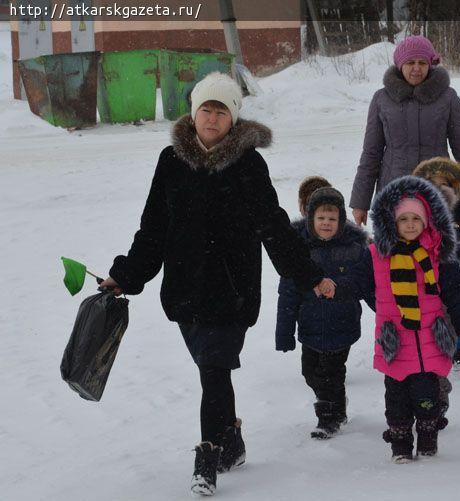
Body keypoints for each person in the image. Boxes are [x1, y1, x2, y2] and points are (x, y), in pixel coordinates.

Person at [98, 72, 335, 496]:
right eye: (206, 108)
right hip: (186, 289)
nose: (212, 117)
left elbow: (274, 226)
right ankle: (233, 439)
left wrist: (309, 275)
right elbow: (153, 229)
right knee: (214, 372)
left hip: (233, 288)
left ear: (233, 117)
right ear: (194, 113)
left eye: (221, 110)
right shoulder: (171, 162)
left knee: (213, 368)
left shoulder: (248, 165)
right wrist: (126, 276)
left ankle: (206, 459)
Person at [349, 176, 460, 463]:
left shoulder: (438, 256)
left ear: (427, 221)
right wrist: (332, 288)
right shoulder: (376, 255)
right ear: (392, 223)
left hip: (429, 339)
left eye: (416, 219)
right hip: (395, 340)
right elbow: (355, 282)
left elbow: (457, 294)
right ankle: (400, 445)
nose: (409, 224)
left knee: (427, 397)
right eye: (403, 219)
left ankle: (428, 436)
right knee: (395, 400)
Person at [350, 35, 460, 226]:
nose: (416, 68)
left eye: (422, 62)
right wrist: (360, 203)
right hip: (394, 192)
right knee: (395, 254)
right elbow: (371, 154)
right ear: (400, 65)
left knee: (435, 252)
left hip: (436, 193)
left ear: (430, 64)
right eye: (410, 62)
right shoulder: (381, 99)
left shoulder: (448, 98)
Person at [275, 187, 374, 439]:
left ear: (341, 221)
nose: (326, 223)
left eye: (332, 219)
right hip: (309, 326)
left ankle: (327, 419)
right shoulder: (299, 251)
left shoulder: (354, 248)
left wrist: (387, 314)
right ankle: (337, 406)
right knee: (310, 372)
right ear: (310, 219)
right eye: (321, 218)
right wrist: (284, 333)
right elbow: (288, 294)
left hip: (343, 324)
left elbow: (366, 285)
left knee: (331, 373)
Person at [413, 157, 460, 370]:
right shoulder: (419, 220)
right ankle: (435, 349)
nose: (439, 190)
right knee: (435, 318)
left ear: (457, 188)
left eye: (445, 184)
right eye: (433, 185)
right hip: (429, 283)